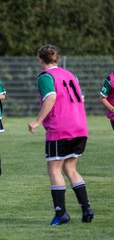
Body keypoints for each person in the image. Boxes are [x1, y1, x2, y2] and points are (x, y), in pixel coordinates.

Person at [28, 45, 94, 225]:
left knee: (55, 169)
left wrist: (37, 121)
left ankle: (61, 214)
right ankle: (86, 208)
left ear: (40, 60)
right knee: (70, 169)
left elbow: (51, 97)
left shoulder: (45, 76)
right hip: (80, 127)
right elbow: (81, 98)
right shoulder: (71, 75)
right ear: (56, 59)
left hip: (60, 129)